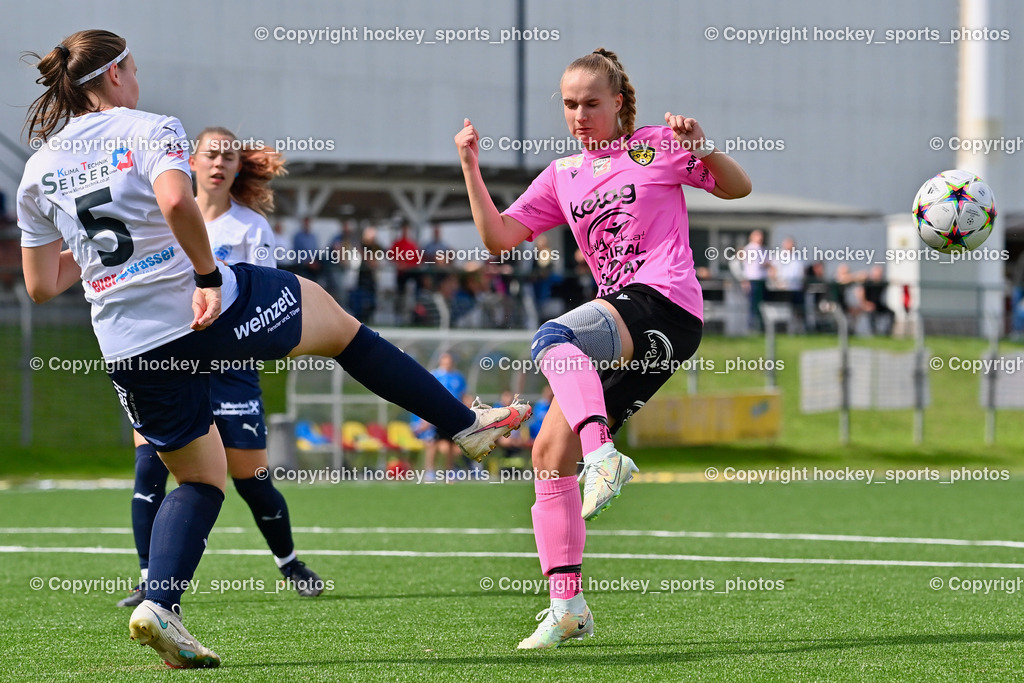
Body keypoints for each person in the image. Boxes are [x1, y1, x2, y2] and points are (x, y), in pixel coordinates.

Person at [18, 29, 530, 669]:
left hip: (127, 345)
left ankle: (160, 604)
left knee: (200, 480)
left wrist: (99, 253)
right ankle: (466, 425)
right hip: (202, 310)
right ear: (117, 73)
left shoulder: (38, 170)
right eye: (135, 68)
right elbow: (175, 200)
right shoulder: (150, 128)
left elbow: (42, 285)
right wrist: (206, 275)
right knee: (339, 328)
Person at [455, 47, 750, 649]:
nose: (579, 115)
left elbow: (736, 189)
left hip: (665, 303)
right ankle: (568, 608)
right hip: (626, 320)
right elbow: (498, 237)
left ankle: (604, 456)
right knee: (546, 455)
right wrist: (470, 165)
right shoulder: (562, 174)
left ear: (618, 103)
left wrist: (702, 146)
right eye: (570, 104)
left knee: (553, 336)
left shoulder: (656, 144)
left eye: (591, 103)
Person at [116, 127, 323, 610]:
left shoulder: (250, 228)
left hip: (230, 368)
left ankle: (290, 563)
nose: (219, 163)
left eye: (229, 157)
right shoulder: (163, 216)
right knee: (149, 469)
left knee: (252, 481)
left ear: (236, 168)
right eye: (211, 154)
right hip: (167, 361)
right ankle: (149, 579)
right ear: (190, 161)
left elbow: (259, 298)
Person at [410, 351, 468, 481]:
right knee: (432, 442)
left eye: (449, 361)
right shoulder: (434, 375)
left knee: (451, 445)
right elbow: (426, 397)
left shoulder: (458, 377)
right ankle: (430, 471)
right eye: (445, 360)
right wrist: (425, 418)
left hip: (452, 415)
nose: (447, 363)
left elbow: (463, 396)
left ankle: (449, 471)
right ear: (441, 361)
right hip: (435, 414)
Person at [740, 229, 767, 332]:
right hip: (752, 280)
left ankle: (761, 326)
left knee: (761, 304)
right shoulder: (748, 249)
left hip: (761, 280)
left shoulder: (763, 249)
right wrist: (744, 280)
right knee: (752, 304)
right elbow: (743, 267)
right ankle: (751, 326)